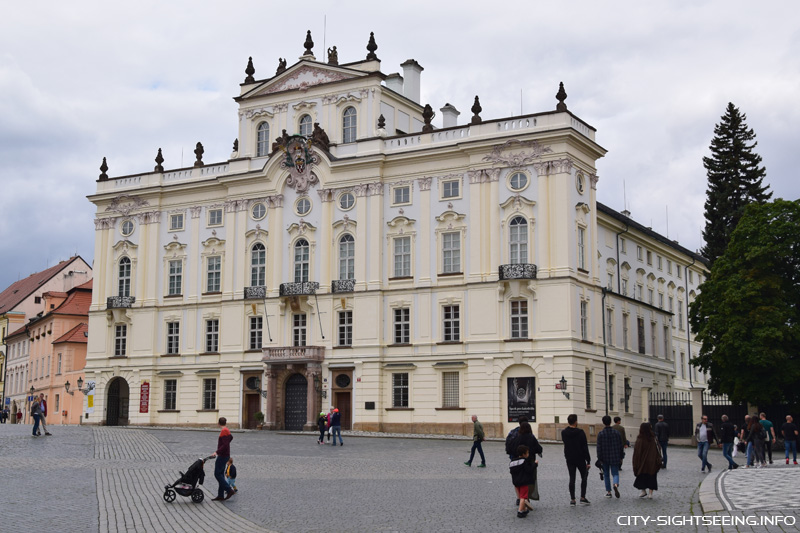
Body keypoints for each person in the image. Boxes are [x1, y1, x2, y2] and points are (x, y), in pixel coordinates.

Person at [561, 413, 591, 506]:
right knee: (584, 477)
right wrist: (588, 460)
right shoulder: (581, 432)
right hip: (580, 458)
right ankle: (582, 497)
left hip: (569, 458)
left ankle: (572, 499)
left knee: (572, 478)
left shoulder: (564, 432)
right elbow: (584, 447)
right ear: (576, 422)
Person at [596, 415, 622, 498]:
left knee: (606, 474)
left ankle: (609, 492)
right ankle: (615, 484)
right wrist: (621, 456)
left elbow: (599, 448)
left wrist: (599, 458)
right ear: (610, 422)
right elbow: (620, 446)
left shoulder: (601, 434)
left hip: (604, 457)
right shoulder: (616, 433)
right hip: (615, 456)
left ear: (603, 423)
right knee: (615, 473)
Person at [632, 422, 661, 499]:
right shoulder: (653, 438)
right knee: (652, 476)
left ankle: (643, 490)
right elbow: (658, 448)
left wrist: (636, 463)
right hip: (652, 461)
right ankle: (650, 493)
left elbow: (637, 452)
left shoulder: (640, 439)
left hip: (643, 462)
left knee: (642, 476)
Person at [509, 444, 537, 518]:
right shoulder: (524, 462)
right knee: (523, 497)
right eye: (527, 453)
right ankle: (520, 511)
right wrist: (535, 464)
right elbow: (529, 470)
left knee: (521, 495)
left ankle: (524, 509)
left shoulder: (512, 462)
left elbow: (511, 472)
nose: (528, 454)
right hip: (523, 482)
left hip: (516, 482)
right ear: (524, 454)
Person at [210, 417, 234, 501]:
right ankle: (220, 495)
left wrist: (216, 452)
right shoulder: (227, 430)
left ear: (218, 423)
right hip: (225, 455)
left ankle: (229, 490)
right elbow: (231, 437)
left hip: (222, 455)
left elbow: (225, 445)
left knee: (217, 474)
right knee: (221, 475)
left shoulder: (224, 431)